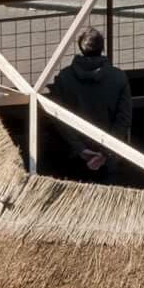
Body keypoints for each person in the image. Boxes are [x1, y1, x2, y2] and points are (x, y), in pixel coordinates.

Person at [47, 28, 132, 181]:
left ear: (80, 47)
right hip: (109, 156)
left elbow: (58, 117)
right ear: (103, 48)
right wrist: (106, 151)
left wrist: (80, 148)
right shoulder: (119, 77)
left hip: (74, 155)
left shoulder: (64, 78)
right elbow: (124, 119)